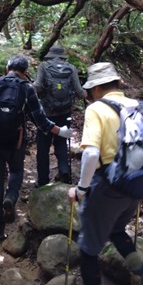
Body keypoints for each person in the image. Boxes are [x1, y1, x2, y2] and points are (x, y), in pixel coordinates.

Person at [67, 62, 143, 285]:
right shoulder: (138, 106)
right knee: (117, 230)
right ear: (116, 83)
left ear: (96, 88)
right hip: (135, 186)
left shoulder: (97, 108)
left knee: (88, 248)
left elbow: (90, 154)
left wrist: (81, 189)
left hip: (107, 186)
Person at [0, 55, 73, 241]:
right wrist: (61, 132)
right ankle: (11, 197)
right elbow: (41, 121)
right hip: (15, 142)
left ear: (7, 68)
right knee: (16, 171)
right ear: (25, 72)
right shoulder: (26, 88)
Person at [33, 44, 87, 185]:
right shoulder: (71, 68)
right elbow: (80, 92)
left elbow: (37, 86)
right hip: (65, 112)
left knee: (43, 147)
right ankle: (64, 171)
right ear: (63, 56)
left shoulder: (44, 66)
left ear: (50, 55)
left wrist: (28, 89)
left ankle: (43, 180)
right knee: (61, 141)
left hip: (46, 113)